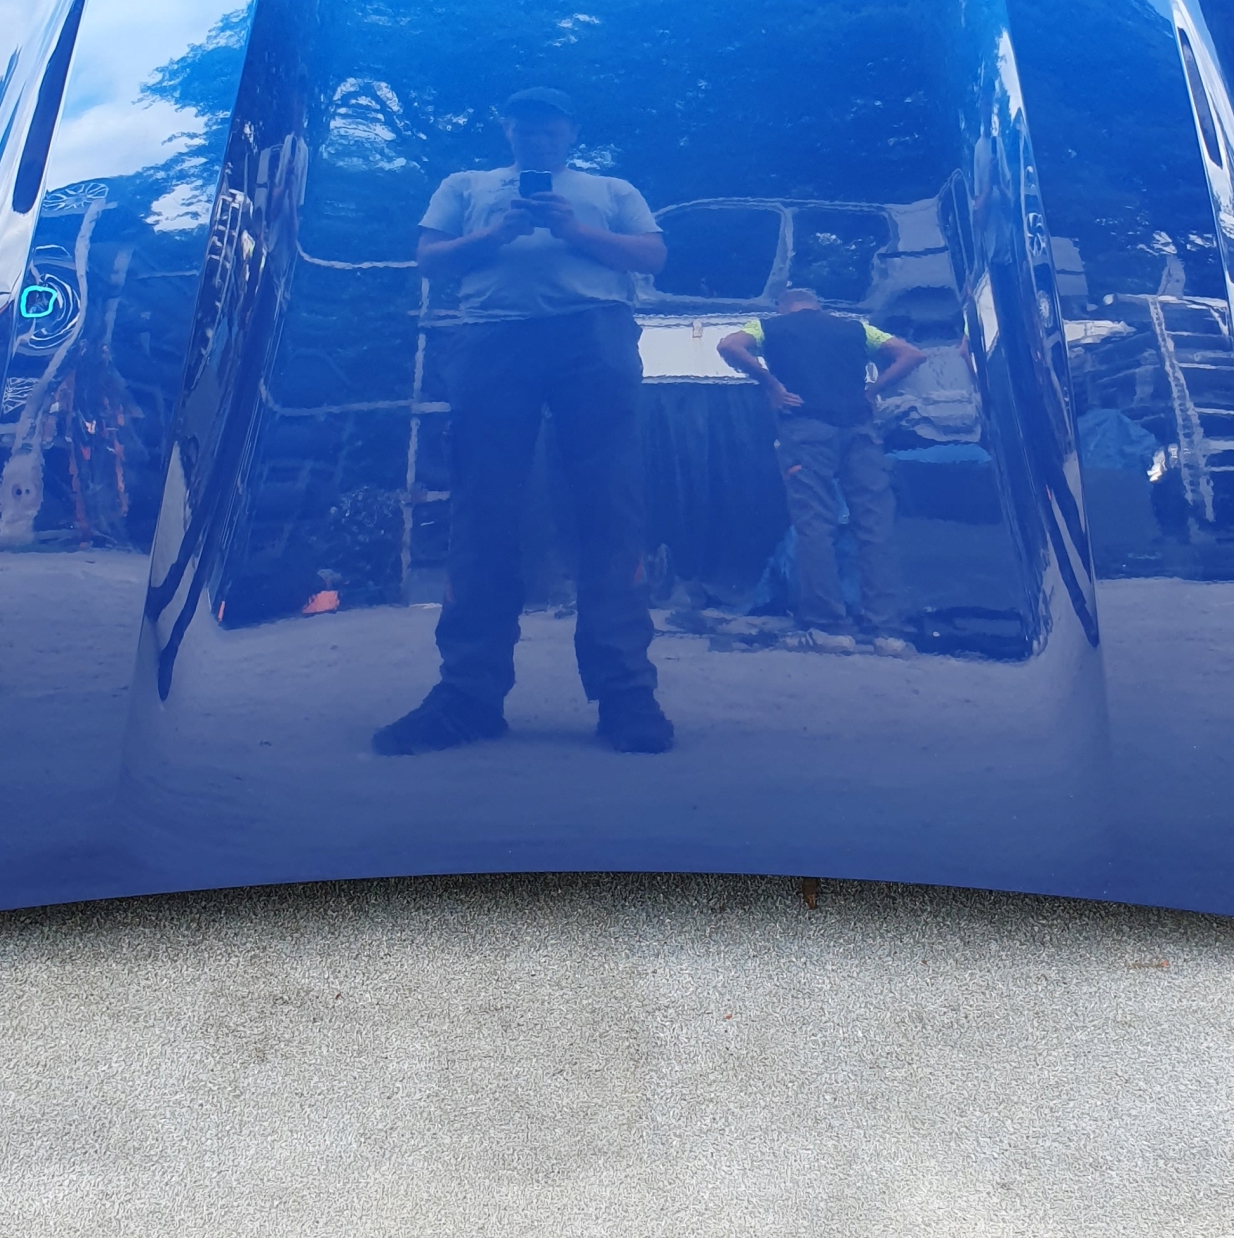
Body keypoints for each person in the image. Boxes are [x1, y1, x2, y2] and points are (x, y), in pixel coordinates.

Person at [372, 87, 674, 756]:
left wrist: (576, 231)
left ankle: (627, 693)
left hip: (593, 331)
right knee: (481, 507)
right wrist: (494, 234)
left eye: (550, 129)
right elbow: (429, 259)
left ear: (571, 133)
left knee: (611, 505)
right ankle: (468, 695)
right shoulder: (466, 185)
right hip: (492, 333)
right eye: (526, 128)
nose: (538, 139)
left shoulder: (611, 189)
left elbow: (652, 257)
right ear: (507, 130)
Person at [719, 288, 925, 636]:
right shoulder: (857, 329)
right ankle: (885, 626)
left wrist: (770, 383)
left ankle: (827, 624)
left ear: (783, 307)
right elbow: (912, 354)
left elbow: (729, 346)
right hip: (860, 432)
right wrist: (873, 390)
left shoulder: (768, 327)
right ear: (819, 306)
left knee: (815, 524)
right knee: (875, 525)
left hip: (806, 433)